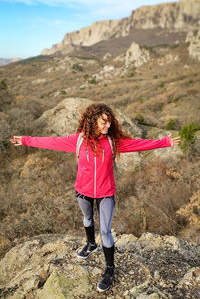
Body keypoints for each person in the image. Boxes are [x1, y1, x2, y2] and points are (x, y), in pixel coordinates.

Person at [10, 103, 181, 292]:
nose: (107, 126)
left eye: (109, 123)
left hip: (106, 192)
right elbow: (51, 141)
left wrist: (164, 142)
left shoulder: (112, 142)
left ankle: (109, 269)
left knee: (105, 231)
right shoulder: (78, 141)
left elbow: (138, 144)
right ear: (93, 122)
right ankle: (91, 244)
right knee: (87, 218)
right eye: (103, 123)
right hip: (83, 191)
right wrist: (25, 140)